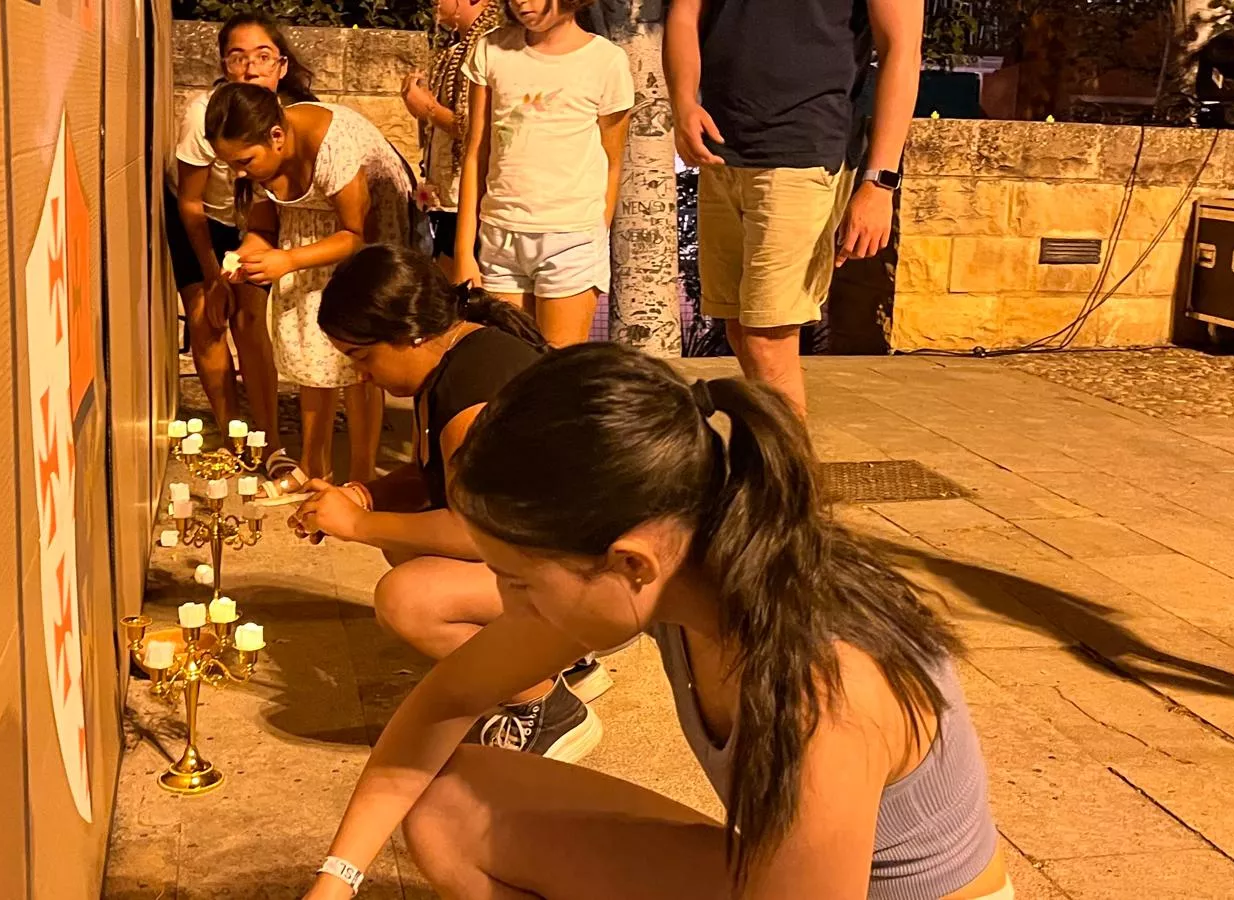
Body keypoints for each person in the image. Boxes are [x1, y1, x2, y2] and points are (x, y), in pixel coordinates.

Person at [299, 343, 1010, 900]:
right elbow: (448, 698)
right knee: (446, 803)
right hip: (781, 873)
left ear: (629, 563)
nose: (508, 607)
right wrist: (336, 879)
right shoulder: (685, 565)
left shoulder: (822, 689)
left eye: (520, 581)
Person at [289, 244, 612, 760]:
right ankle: (563, 658)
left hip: (605, 578)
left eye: (363, 357)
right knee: (405, 540)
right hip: (573, 556)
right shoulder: (455, 357)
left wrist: (358, 524)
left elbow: (474, 531)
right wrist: (365, 495)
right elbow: (435, 475)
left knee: (408, 599)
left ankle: (546, 707)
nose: (361, 375)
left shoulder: (474, 386)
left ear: (410, 334)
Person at [664, 0, 924, 417]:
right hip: (722, 152)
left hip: (805, 151)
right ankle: (771, 452)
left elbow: (903, 50)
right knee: (739, 327)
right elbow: (685, 11)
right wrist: (682, 104)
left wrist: (880, 182)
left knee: (767, 337)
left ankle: (789, 458)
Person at [206, 83, 413, 493]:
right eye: (230, 164)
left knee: (358, 358)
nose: (239, 173)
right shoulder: (259, 160)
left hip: (363, 236)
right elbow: (263, 228)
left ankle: (362, 474)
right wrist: (242, 259)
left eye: (244, 161)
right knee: (310, 347)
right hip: (304, 233)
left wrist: (288, 261)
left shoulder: (333, 145)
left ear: (276, 137)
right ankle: (314, 467)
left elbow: (355, 233)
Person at [454, 0, 634, 347]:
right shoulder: (492, 49)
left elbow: (613, 161)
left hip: (571, 237)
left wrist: (596, 233)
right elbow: (476, 152)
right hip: (499, 236)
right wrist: (463, 251)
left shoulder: (606, 61)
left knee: (558, 367)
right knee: (507, 363)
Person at [165, 13, 308, 444]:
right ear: (224, 65)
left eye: (263, 56)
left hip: (257, 224)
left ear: (282, 65)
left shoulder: (294, 116)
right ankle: (232, 432)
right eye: (237, 57)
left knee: (250, 319)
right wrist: (213, 277)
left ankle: (267, 438)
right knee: (206, 319)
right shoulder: (204, 115)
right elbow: (190, 202)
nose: (250, 68)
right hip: (204, 220)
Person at [400, 0, 506, 276]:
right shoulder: (457, 51)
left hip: (472, 200)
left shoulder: (490, 48)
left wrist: (429, 108)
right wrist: (421, 108)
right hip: (447, 200)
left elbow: (476, 128)